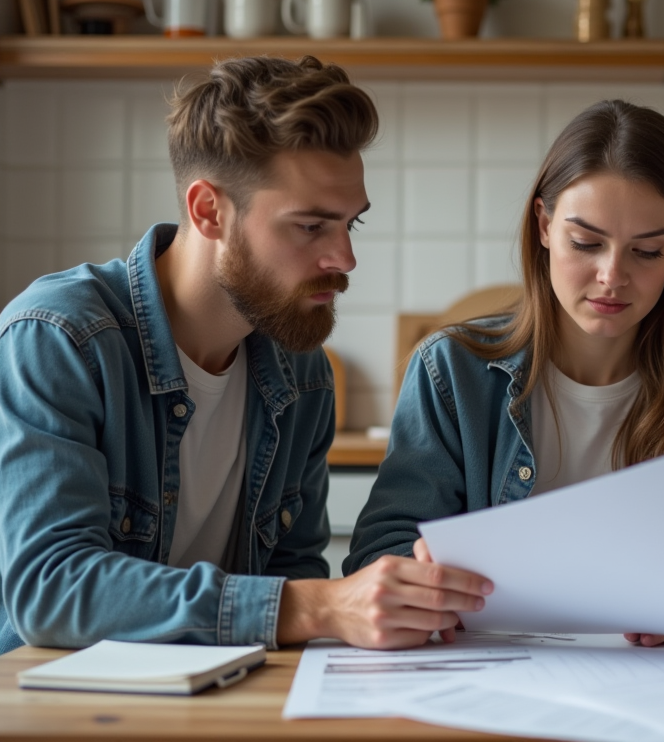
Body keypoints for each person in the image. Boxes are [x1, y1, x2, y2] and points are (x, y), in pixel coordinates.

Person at [0, 55, 490, 655]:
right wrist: (319, 605)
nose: (345, 259)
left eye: (350, 226)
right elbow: (50, 589)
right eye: (311, 227)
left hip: (218, 693)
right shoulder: (59, 339)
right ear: (209, 211)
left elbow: (292, 569)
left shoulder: (301, 371)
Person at [347, 100, 664, 645]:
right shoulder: (450, 369)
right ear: (544, 226)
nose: (612, 276)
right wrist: (423, 585)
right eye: (586, 243)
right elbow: (378, 555)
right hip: (493, 671)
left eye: (647, 251)